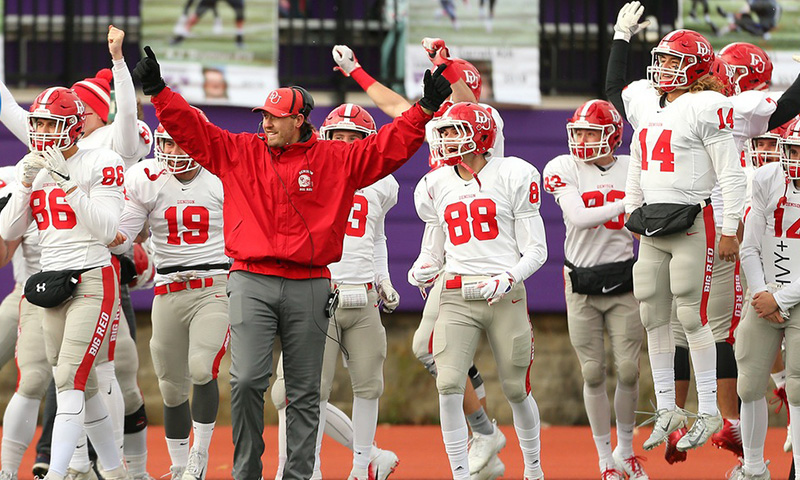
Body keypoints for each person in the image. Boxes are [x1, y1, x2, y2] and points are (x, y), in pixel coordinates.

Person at [132, 45, 452, 480]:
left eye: (274, 117)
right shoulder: (242, 151)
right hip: (250, 279)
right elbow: (194, 132)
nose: (264, 123)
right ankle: (246, 472)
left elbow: (387, 148)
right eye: (263, 115)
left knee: (304, 392)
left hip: (310, 283)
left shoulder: (337, 159)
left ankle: (298, 475)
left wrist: (425, 110)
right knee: (245, 382)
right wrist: (157, 90)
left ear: (299, 121)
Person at [334, 41, 509, 478]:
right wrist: (356, 72)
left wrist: (446, 65)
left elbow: (467, 103)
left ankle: (489, 435)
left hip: (483, 255)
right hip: (449, 247)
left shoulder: (482, 122)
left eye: (449, 90)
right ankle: (485, 436)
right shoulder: (438, 125)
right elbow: (394, 103)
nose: (444, 103)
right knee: (438, 351)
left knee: (449, 351)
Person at [0, 26, 154, 479]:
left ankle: (69, 468)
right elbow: (7, 231)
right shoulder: (38, 161)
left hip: (93, 275)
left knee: (78, 380)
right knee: (76, 388)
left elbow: (109, 229)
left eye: (50, 123)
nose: (42, 132)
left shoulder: (105, 156)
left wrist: (64, 179)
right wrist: (27, 183)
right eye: (39, 124)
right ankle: (111, 468)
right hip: (47, 282)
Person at [611, 23, 747, 457]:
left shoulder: (707, 104)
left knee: (692, 316)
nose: (665, 68)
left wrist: (729, 228)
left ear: (698, 67)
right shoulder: (650, 105)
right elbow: (637, 160)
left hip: (692, 220)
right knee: (652, 312)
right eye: (663, 60)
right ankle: (669, 408)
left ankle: (708, 409)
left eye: (674, 60)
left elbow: (730, 172)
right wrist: (632, 207)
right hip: (651, 223)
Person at [410, 102, 547, 480]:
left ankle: (534, 470)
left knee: (517, 389)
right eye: (445, 132)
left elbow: (537, 250)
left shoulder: (513, 174)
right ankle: (460, 473)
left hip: (504, 293)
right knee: (449, 382)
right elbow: (431, 250)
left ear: (482, 135)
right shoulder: (435, 185)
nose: (446, 139)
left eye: (455, 131)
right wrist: (423, 268)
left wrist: (508, 277)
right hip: (456, 293)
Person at [270, 103, 401, 480]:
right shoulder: (307, 172)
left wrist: (383, 278)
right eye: (338, 136)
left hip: (363, 296)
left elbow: (376, 237)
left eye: (353, 138)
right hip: (318, 294)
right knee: (297, 392)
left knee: (369, 386)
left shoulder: (382, 182)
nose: (344, 144)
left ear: (367, 142)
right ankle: (303, 469)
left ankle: (363, 467)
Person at [108, 116, 230, 480]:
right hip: (167, 289)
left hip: (214, 284)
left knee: (201, 366)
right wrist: (102, 226)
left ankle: (199, 456)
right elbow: (124, 235)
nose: (173, 152)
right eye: (168, 144)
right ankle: (178, 468)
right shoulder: (147, 179)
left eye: (182, 143)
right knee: (171, 388)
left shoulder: (221, 177)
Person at [542, 100, 647, 480]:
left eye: (590, 132)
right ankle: (604, 459)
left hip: (623, 279)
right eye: (578, 132)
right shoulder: (563, 167)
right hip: (581, 283)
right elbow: (579, 217)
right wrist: (627, 203)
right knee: (591, 372)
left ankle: (625, 450)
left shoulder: (632, 167)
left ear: (612, 136)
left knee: (630, 371)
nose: (582, 140)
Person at [736, 117, 800, 480]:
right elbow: (750, 245)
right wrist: (761, 291)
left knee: (799, 386)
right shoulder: (765, 178)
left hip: (795, 296)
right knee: (748, 382)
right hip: (766, 290)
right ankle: (755, 468)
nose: (795, 158)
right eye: (791, 150)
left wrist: (782, 298)